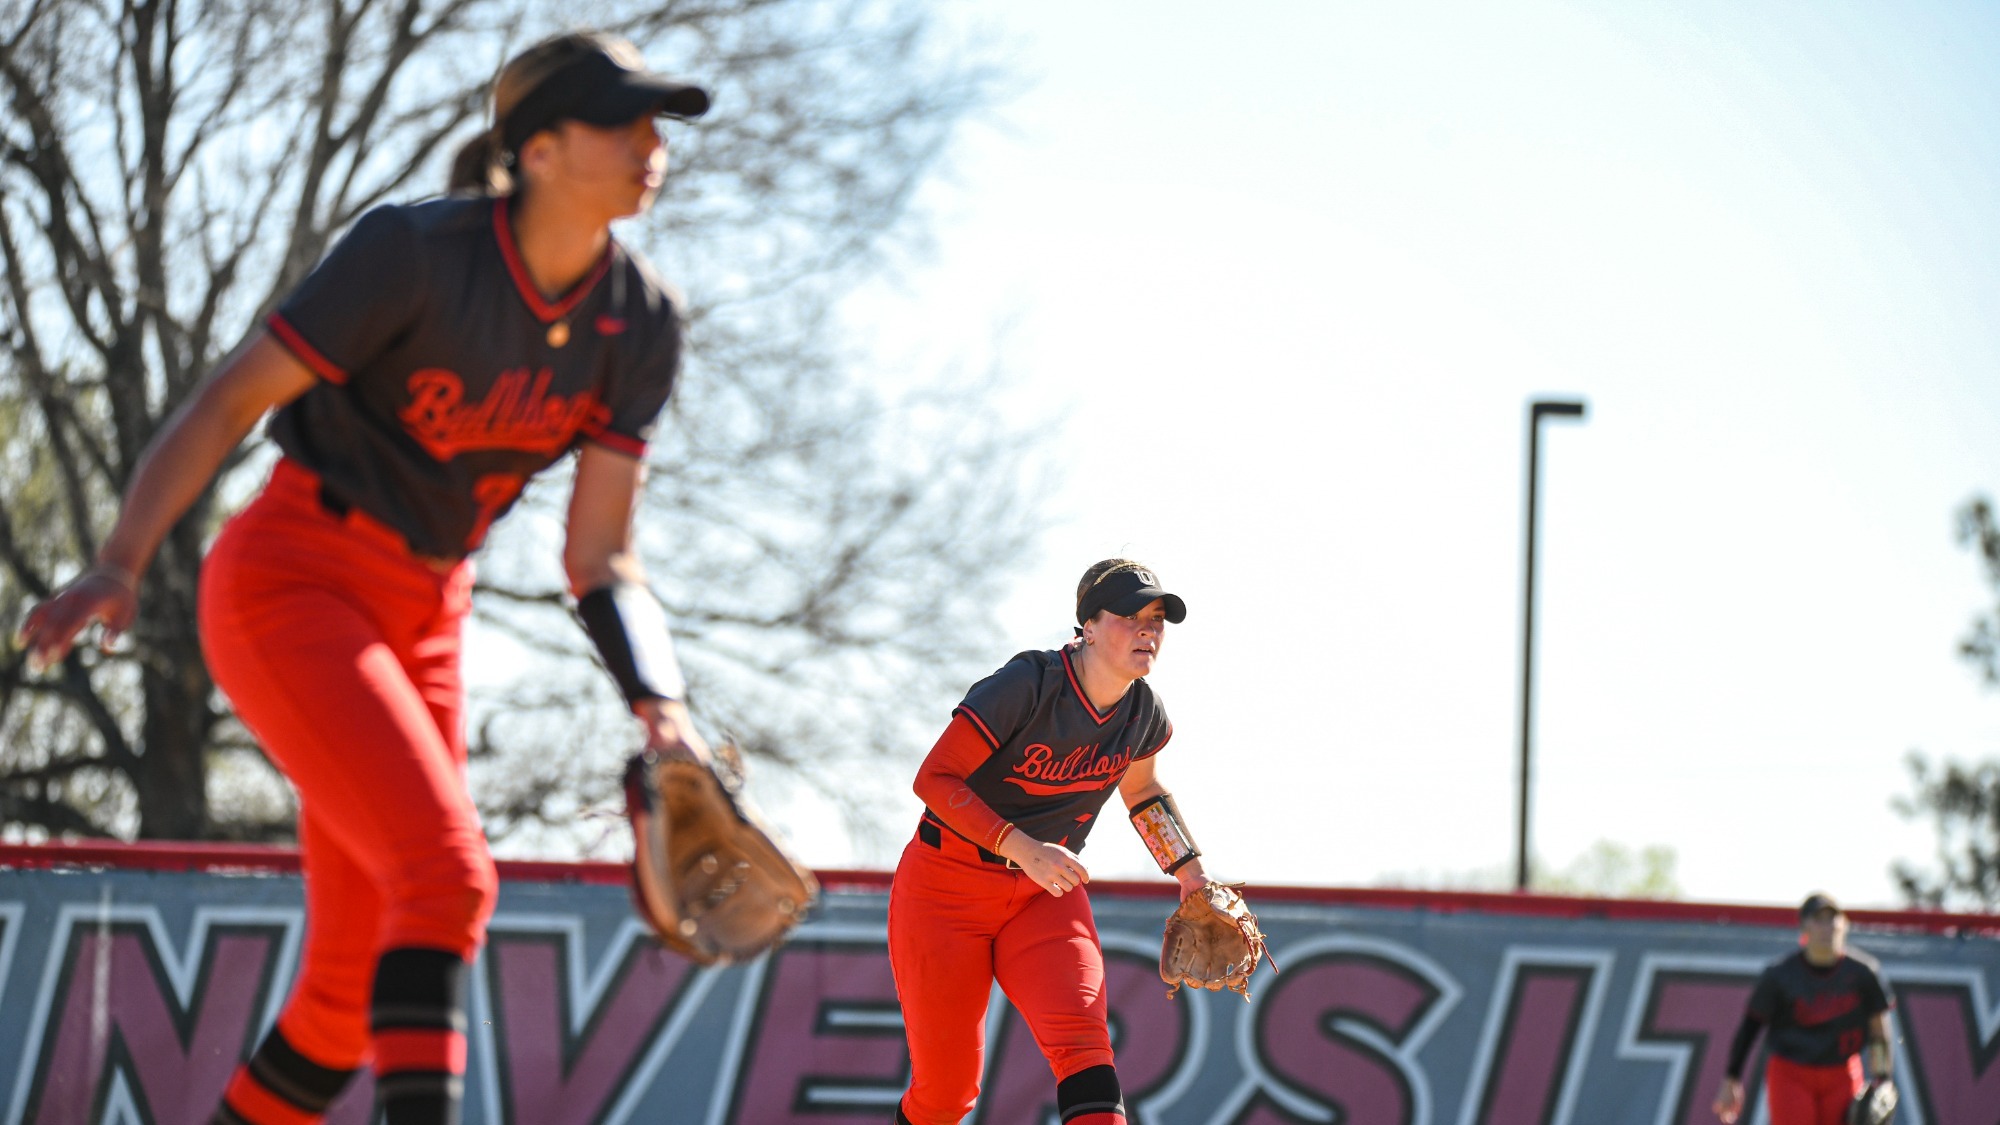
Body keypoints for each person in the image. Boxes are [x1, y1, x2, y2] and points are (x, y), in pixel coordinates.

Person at [15, 31, 711, 1125]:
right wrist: (119, 560)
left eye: (657, 122)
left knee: (348, 995)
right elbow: (227, 402)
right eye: (621, 120)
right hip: (291, 579)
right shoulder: (415, 254)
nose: (651, 144)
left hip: (429, 611)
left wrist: (657, 699)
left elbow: (598, 555)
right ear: (534, 148)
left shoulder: (641, 323)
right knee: (446, 880)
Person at [888, 559, 1217, 1125]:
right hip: (945, 889)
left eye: (1158, 619)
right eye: (1131, 616)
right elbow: (933, 779)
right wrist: (1021, 846)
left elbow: (1142, 790)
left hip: (1044, 895)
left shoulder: (1143, 712)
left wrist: (1188, 869)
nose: (1149, 630)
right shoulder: (1029, 684)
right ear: (1087, 626)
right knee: (945, 1096)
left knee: (1086, 1052)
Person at [1712, 893, 1896, 1125]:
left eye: (1832, 919)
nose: (1827, 927)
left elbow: (1879, 1031)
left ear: (1844, 925)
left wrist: (1883, 1078)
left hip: (1842, 1072)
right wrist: (1732, 1078)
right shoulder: (1780, 975)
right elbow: (1750, 1028)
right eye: (1818, 920)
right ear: (1803, 927)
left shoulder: (1863, 974)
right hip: (1791, 1072)